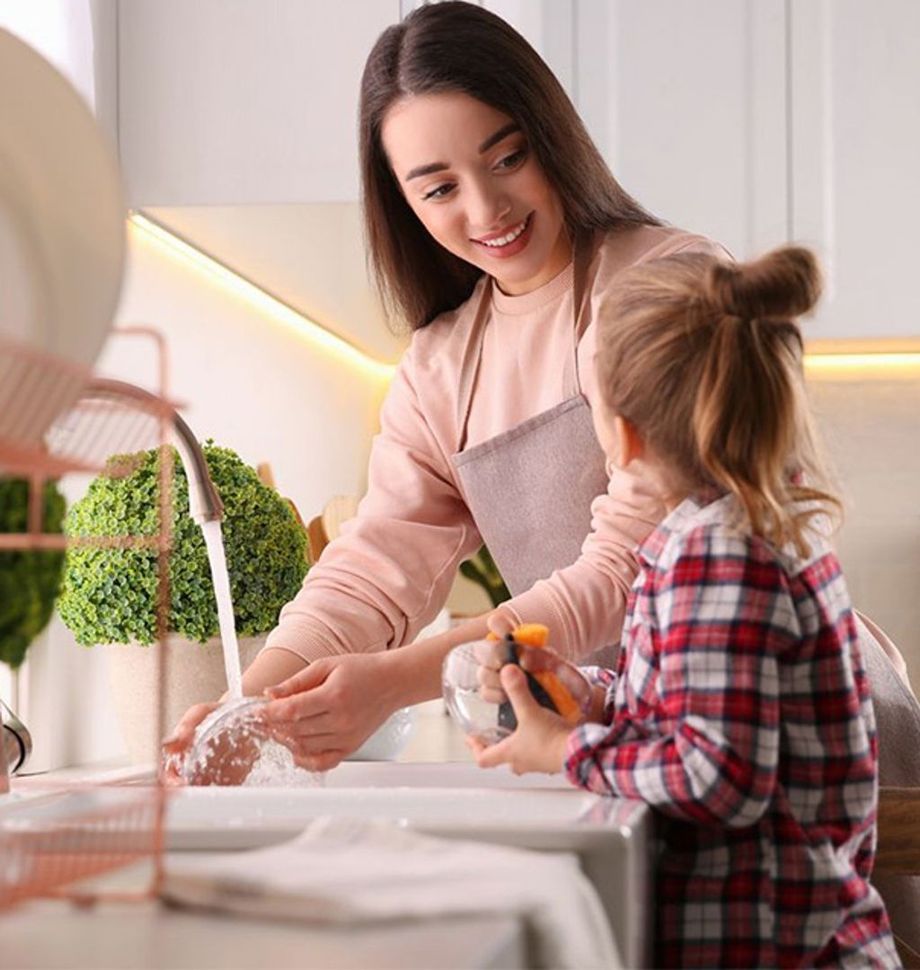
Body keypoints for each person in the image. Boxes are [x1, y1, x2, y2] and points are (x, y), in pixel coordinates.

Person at [165, 0, 727, 771]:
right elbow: (372, 571)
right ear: (403, 204)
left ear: (553, 136)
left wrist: (397, 681)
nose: (486, 208)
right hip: (603, 734)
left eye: (507, 158)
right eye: (438, 189)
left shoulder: (667, 287)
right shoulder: (440, 367)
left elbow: (633, 566)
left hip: (746, 713)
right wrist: (249, 709)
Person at [471, 246, 900, 967]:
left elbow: (719, 779)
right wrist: (598, 703)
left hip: (775, 948)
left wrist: (565, 749)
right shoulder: (722, 533)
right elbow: (702, 717)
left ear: (626, 435)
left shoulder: (721, 556)